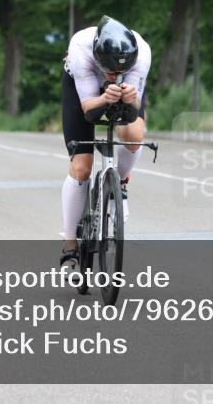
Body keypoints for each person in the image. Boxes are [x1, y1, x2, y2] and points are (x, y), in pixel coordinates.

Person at [59, 15, 151, 271]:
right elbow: (89, 110)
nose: (115, 76)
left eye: (120, 72)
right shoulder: (80, 49)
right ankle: (69, 245)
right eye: (110, 71)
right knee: (81, 167)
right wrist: (103, 98)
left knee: (134, 138)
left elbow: (134, 109)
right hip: (83, 89)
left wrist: (130, 99)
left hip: (124, 90)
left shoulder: (142, 54)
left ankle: (120, 183)